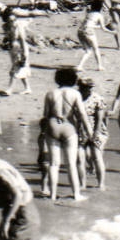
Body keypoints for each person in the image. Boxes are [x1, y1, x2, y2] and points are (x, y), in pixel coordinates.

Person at [39, 67, 87, 201]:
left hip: (53, 126)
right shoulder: (75, 94)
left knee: (54, 164)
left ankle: (53, 195)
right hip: (68, 127)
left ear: (57, 79)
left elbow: (45, 115)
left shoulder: (50, 93)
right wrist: (88, 131)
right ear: (73, 79)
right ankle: (76, 194)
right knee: (71, 164)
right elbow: (82, 114)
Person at [75, 0, 106, 72]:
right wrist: (112, 32)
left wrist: (98, 27)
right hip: (89, 32)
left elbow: (90, 24)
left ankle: (79, 66)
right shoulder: (99, 15)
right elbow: (103, 28)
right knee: (96, 49)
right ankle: (99, 66)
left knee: (88, 51)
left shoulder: (89, 14)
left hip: (80, 31)